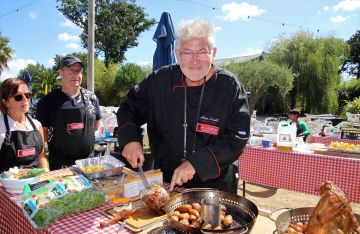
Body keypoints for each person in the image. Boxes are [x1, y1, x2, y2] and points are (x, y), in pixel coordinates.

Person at [117, 18, 250, 193]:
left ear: (213, 53)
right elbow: (129, 108)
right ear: (177, 54)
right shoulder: (159, 81)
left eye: (202, 51)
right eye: (187, 52)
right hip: (167, 184)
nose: (194, 60)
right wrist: (130, 139)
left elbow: (237, 137)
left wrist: (197, 163)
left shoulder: (229, 86)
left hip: (216, 188)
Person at [36, 56, 102, 170]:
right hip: (60, 167)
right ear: (60, 72)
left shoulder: (91, 98)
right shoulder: (47, 101)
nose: (75, 75)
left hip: (89, 165)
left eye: (78, 71)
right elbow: (42, 134)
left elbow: (96, 124)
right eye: (71, 70)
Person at [0, 78, 48, 172]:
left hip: (34, 182)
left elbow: (41, 157)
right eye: (18, 97)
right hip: (8, 184)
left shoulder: (37, 124)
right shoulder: (1, 124)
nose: (25, 100)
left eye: (28, 95)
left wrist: (46, 176)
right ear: (5, 102)